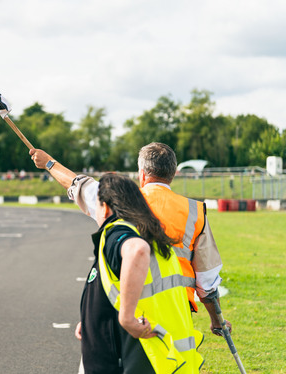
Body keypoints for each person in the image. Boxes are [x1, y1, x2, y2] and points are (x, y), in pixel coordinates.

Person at [29, 143, 232, 337]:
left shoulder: (118, 200)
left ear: (142, 174)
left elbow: (79, 184)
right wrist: (217, 321)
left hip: (126, 308)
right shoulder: (196, 212)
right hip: (175, 310)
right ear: (172, 175)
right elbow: (207, 282)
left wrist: (49, 163)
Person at [80, 173, 204, 373]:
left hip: (128, 357)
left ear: (106, 206)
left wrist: (126, 319)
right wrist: (90, 323)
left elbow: (136, 250)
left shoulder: (118, 231)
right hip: (153, 355)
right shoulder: (151, 235)